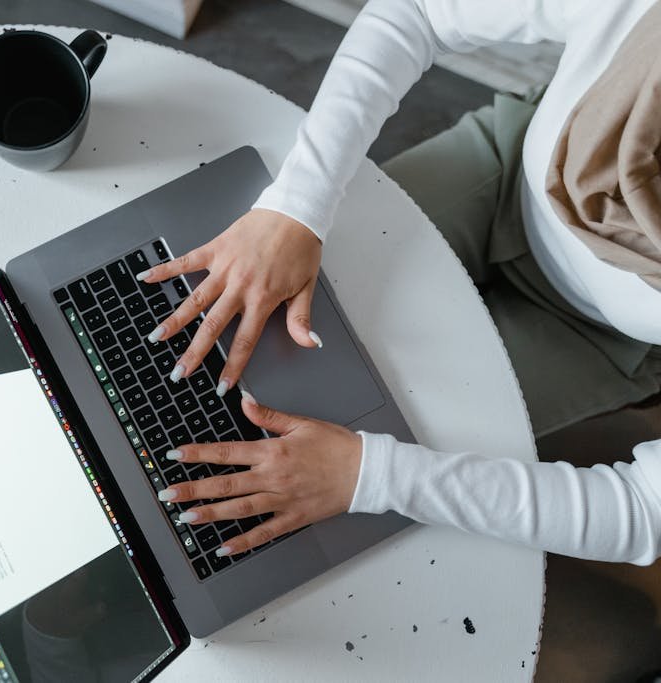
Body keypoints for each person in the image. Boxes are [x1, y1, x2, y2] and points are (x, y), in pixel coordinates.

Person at [135, 0, 661, 567]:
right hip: (507, 176)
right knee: (251, 333)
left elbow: (642, 511)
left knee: (348, 437)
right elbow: (418, 10)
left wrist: (369, 476)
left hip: (600, 338)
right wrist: (296, 209)